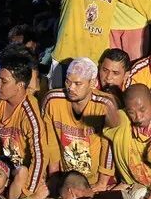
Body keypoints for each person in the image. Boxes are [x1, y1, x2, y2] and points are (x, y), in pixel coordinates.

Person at [0, 46, 50, 196]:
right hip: (2, 168)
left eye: (3, 81)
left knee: (22, 172)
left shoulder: (29, 114)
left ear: (20, 86)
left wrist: (27, 193)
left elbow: (40, 157)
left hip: (22, 176)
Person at [42, 57, 114, 188]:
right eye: (68, 81)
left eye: (77, 83)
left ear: (92, 83)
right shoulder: (52, 101)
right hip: (66, 178)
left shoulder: (105, 105)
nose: (71, 88)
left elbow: (108, 146)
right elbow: (50, 142)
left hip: (94, 180)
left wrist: (102, 183)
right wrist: (54, 177)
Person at [103, 83, 151, 187]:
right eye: (131, 112)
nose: (138, 117)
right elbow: (113, 120)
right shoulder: (123, 119)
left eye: (142, 110)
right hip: (129, 187)